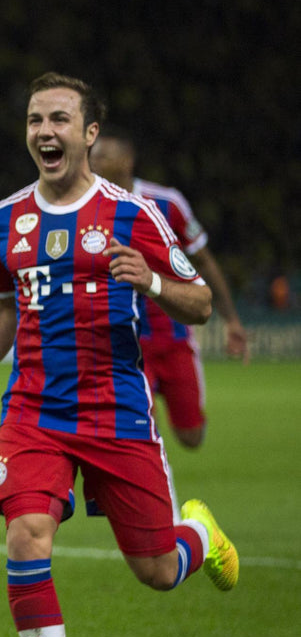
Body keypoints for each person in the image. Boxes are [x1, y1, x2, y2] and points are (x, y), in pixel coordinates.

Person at [0, 73, 237, 637]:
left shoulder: (132, 215)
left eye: (59, 119)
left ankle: (200, 537)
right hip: (32, 410)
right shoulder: (3, 219)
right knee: (23, 535)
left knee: (155, 570)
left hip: (115, 410)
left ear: (88, 133)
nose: (45, 131)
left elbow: (200, 302)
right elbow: (4, 305)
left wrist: (150, 280)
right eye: (36, 119)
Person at [89, 129, 248, 449]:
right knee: (141, 433)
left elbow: (203, 260)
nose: (93, 162)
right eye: (92, 156)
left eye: (102, 156)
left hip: (174, 337)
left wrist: (231, 320)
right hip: (127, 341)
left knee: (191, 437)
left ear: (127, 160)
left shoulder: (167, 202)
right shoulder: (86, 208)